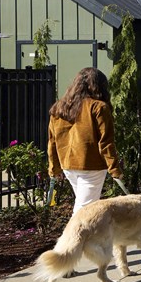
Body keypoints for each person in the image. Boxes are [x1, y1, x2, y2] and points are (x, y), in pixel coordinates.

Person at [47, 67, 122, 215]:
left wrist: (54, 168)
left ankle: (90, 238)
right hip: (90, 165)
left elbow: (52, 141)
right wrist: (115, 169)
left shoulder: (59, 107)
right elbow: (106, 142)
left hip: (68, 165)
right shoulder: (99, 107)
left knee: (84, 207)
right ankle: (72, 238)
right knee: (84, 212)